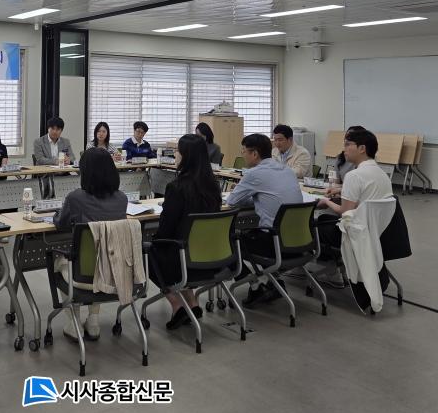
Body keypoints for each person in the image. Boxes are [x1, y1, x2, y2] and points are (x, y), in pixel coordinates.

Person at [148, 134, 222, 329]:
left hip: (182, 258)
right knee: (177, 247)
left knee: (147, 252)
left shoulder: (176, 188)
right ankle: (193, 304)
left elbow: (166, 230)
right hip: (210, 255)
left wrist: (154, 241)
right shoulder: (214, 186)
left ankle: (177, 305)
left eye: (177, 151)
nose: (175, 155)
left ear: (186, 156)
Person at [54, 147, 128, 341]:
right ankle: (93, 321)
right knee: (102, 254)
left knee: (59, 262)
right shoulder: (122, 199)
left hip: (83, 275)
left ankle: (74, 323)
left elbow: (61, 223)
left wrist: (56, 213)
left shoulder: (75, 198)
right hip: (113, 272)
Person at [226, 133, 302, 307]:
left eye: (244, 151)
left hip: (273, 244)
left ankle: (255, 286)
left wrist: (249, 194)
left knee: (228, 241)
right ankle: (275, 283)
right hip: (299, 242)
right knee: (257, 232)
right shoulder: (287, 170)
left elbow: (232, 201)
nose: (243, 155)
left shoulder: (254, 174)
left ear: (254, 154)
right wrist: (257, 196)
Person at [317, 129, 393, 249]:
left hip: (353, 234)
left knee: (313, 226)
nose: (344, 149)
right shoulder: (383, 175)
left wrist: (326, 202)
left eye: (347, 144)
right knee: (324, 218)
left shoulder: (354, 176)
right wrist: (342, 191)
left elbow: (344, 212)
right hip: (376, 233)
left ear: (362, 148)